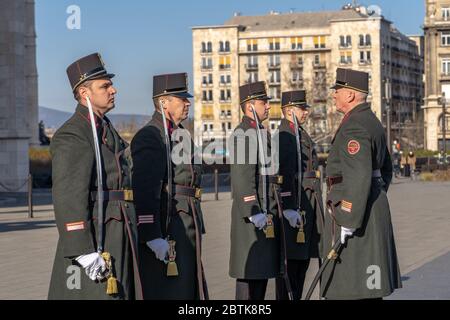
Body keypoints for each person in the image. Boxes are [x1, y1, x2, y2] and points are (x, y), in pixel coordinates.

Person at [48, 53, 141, 300]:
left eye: (110, 84)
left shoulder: (106, 128)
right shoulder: (73, 134)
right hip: (97, 236)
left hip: (117, 230)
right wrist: (82, 249)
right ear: (85, 93)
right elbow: (69, 194)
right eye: (105, 86)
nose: (113, 90)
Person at [320, 68, 402, 300]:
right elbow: (385, 170)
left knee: (351, 287)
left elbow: (358, 176)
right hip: (369, 206)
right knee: (367, 287)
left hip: (356, 215)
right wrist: (375, 194)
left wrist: (348, 216)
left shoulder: (354, 125)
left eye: (338, 91)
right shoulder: (372, 121)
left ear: (350, 95)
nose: (334, 95)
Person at [131, 73, 208, 300]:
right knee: (170, 290)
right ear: (164, 102)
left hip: (186, 218)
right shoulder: (150, 135)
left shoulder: (180, 133)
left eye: (187, 99)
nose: (187, 103)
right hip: (169, 223)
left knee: (187, 286)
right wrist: (151, 234)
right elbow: (145, 188)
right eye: (181, 98)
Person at [229, 81, 280, 300]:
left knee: (261, 274)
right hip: (253, 214)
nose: (268, 106)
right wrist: (253, 210)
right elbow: (243, 177)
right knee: (249, 277)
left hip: (263, 211)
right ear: (249, 106)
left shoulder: (259, 132)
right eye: (263, 102)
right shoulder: (244, 133)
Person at [274, 90, 323, 300]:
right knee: (291, 266)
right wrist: (288, 206)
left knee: (301, 263)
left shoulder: (300, 133)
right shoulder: (285, 136)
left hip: (307, 201)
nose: (305, 113)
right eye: (301, 109)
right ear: (288, 110)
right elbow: (284, 173)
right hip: (295, 205)